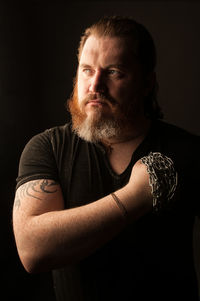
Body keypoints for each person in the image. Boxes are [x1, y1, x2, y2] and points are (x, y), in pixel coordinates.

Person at [13, 16, 200, 300]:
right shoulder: (47, 147)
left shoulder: (187, 151)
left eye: (114, 72)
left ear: (147, 82)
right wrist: (135, 197)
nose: (95, 85)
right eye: (87, 70)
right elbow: (32, 251)